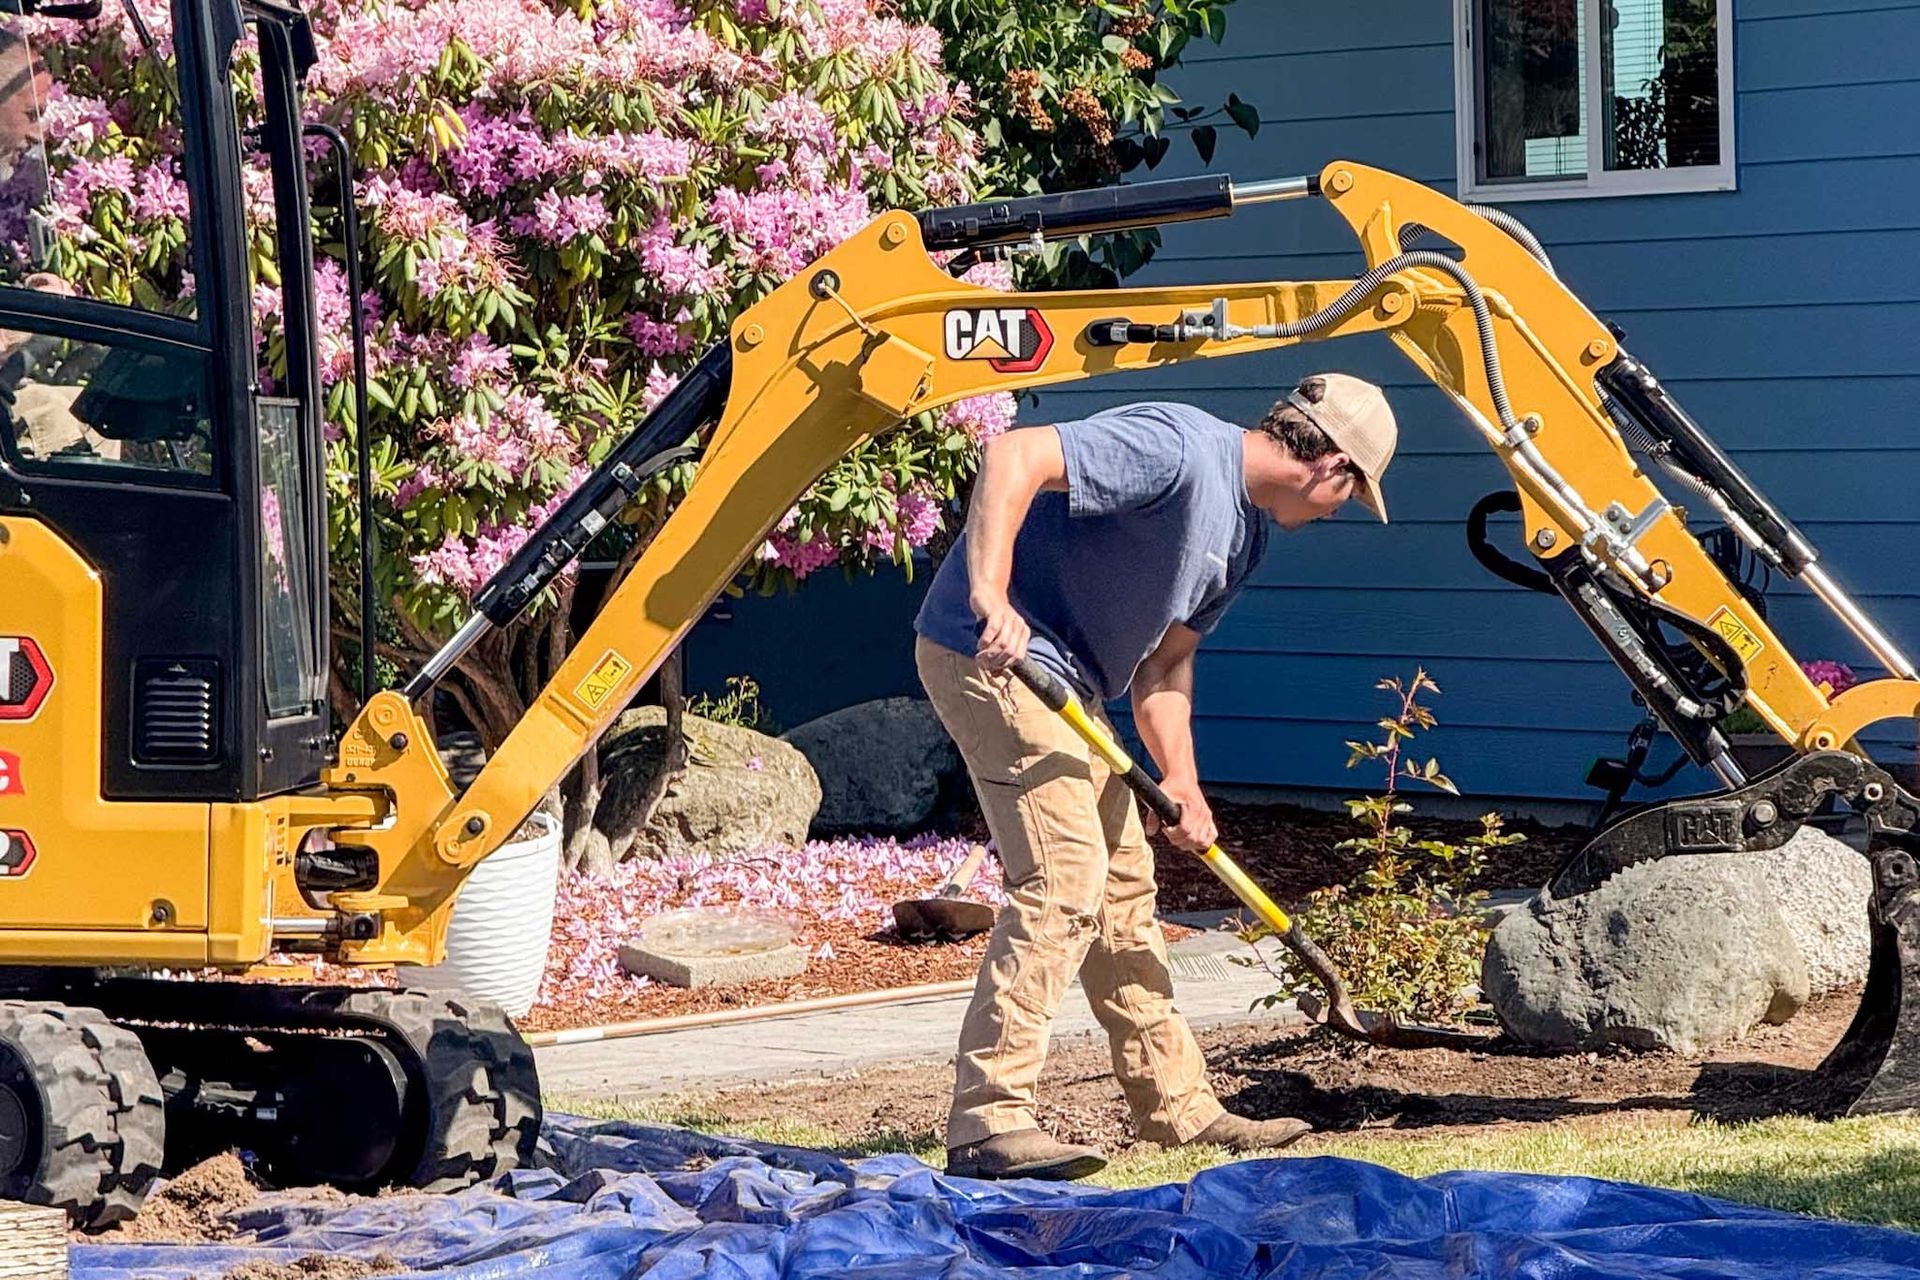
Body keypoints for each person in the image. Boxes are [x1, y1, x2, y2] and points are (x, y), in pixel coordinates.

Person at [913, 374, 1399, 1181]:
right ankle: (989, 1120)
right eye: (1351, 493)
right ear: (1333, 465)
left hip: (1070, 682)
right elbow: (1015, 453)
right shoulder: (1178, 448)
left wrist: (1184, 782)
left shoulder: (1246, 536)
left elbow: (1165, 667)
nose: (1339, 511)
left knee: (1125, 891)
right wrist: (990, 594)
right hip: (989, 654)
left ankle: (1178, 1108)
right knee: (1065, 876)